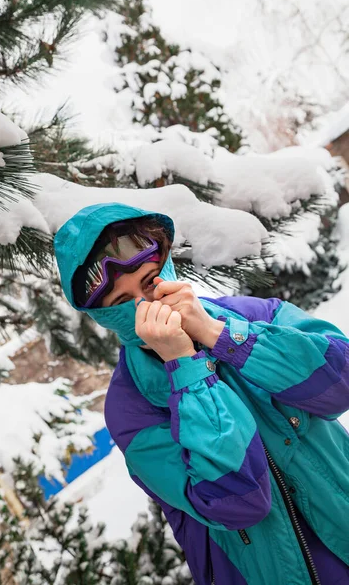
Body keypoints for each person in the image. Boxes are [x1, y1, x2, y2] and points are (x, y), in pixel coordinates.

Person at [54, 201, 349, 585]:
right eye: (123, 303)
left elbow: (340, 384)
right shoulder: (130, 408)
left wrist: (221, 336)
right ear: (105, 316)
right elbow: (239, 502)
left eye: (149, 282)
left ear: (167, 267)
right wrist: (186, 367)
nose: (146, 306)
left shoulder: (255, 315)